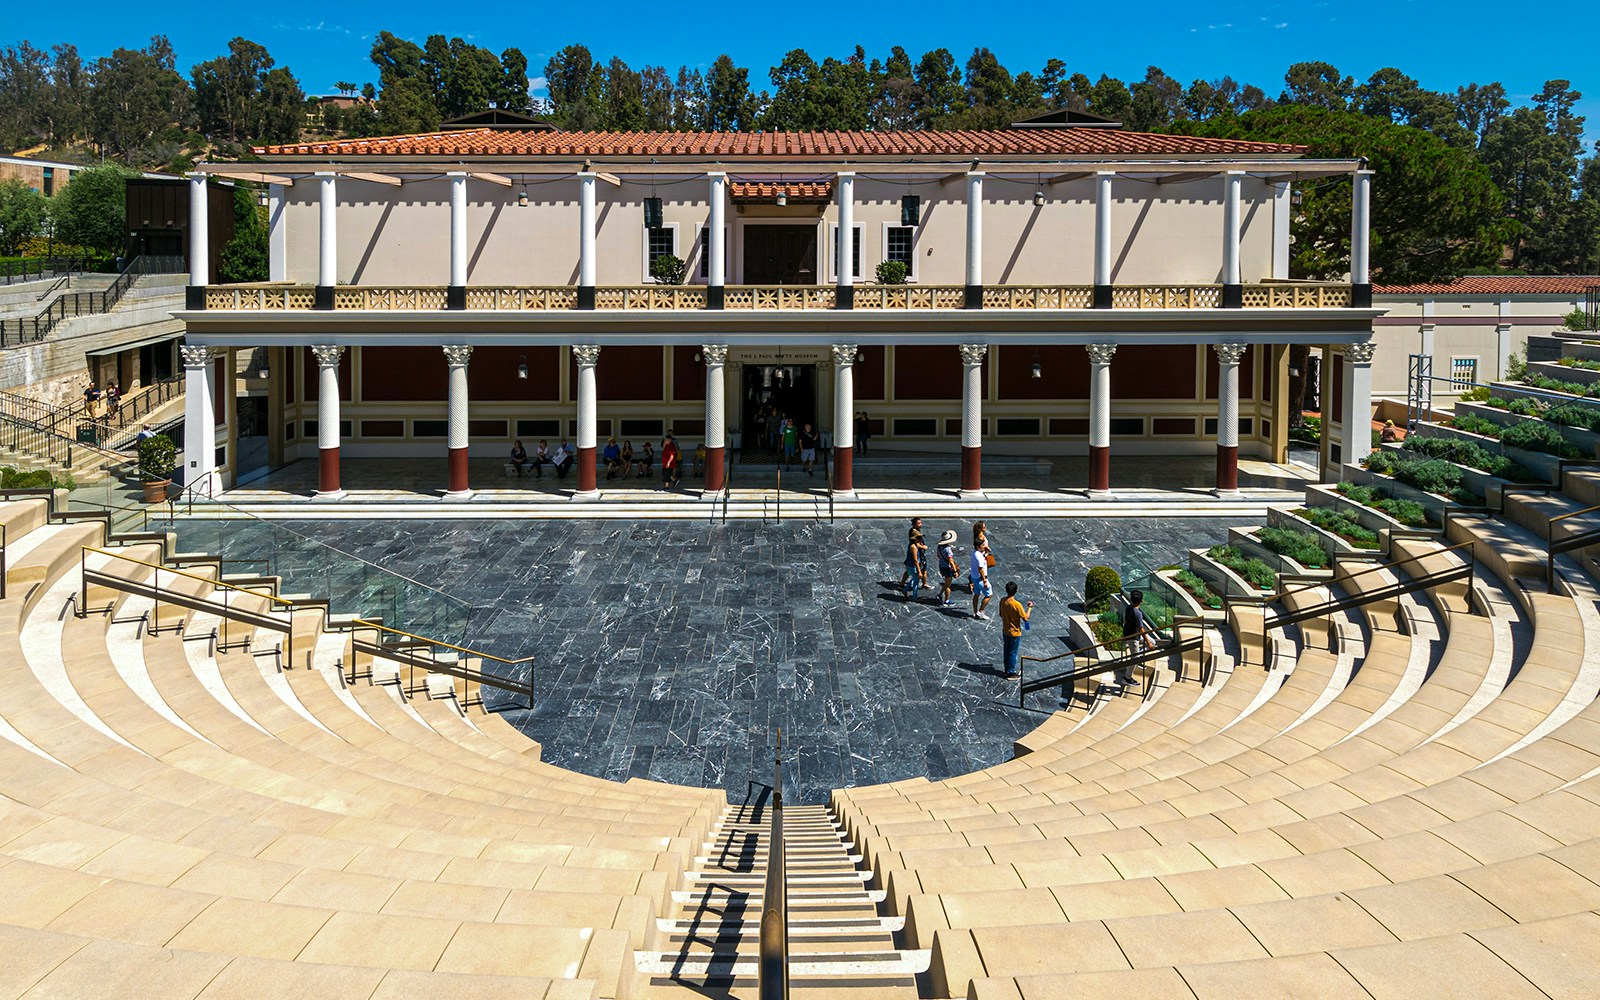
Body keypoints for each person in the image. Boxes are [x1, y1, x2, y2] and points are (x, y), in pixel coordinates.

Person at [1119, 589, 1153, 688]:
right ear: (1141, 601)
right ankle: (1127, 678)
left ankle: (1138, 659)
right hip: (1132, 637)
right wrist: (1148, 643)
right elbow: (1141, 629)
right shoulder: (1138, 613)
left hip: (1132, 634)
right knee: (1135, 657)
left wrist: (1149, 642)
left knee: (1153, 641)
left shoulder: (1129, 607)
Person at [999, 582, 1032, 679]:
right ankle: (1011, 672)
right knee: (1013, 652)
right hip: (1015, 632)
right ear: (1016, 591)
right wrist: (1029, 608)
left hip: (1005, 630)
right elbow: (1025, 618)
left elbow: (1001, 614)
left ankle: (1006, 670)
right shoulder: (1017, 605)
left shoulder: (1002, 601)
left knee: (1006, 650)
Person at [969, 541, 993, 620]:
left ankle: (975, 613)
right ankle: (980, 611)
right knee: (989, 594)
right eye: (982, 545)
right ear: (978, 546)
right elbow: (981, 569)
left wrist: (986, 551)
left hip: (974, 577)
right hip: (980, 578)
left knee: (976, 594)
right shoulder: (978, 557)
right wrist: (985, 580)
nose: (984, 546)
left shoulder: (975, 553)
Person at [902, 530, 928, 601]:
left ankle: (905, 590)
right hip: (913, 566)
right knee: (916, 582)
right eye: (919, 538)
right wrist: (919, 571)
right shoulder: (913, 547)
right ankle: (914, 597)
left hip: (911, 565)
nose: (920, 539)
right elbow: (915, 560)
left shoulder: (914, 545)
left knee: (915, 579)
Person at [936, 529, 959, 607]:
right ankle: (946, 600)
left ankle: (940, 594)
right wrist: (955, 571)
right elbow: (951, 561)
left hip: (941, 565)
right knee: (948, 584)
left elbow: (938, 556)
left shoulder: (939, 547)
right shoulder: (948, 549)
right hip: (947, 567)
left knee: (946, 582)